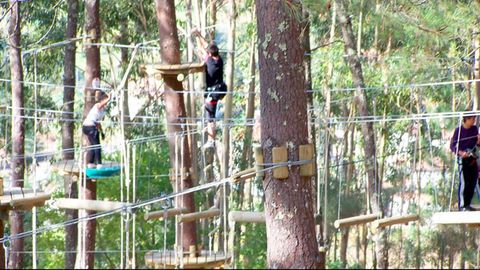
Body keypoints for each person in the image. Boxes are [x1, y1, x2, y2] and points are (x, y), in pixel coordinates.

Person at [191, 28, 227, 148]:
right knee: (211, 115)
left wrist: (196, 36)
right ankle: (211, 139)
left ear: (210, 54)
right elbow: (207, 46)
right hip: (220, 89)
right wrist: (198, 34)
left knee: (210, 117)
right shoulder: (219, 60)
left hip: (213, 92)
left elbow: (202, 49)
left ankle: (211, 140)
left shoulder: (209, 62)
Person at [450, 115, 480, 211]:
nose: (474, 121)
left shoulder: (474, 129)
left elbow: (478, 144)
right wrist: (460, 152)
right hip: (463, 160)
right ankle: (462, 206)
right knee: (464, 182)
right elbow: (452, 146)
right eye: (472, 119)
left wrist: (479, 141)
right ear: (466, 119)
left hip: (472, 158)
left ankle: (468, 204)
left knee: (473, 181)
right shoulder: (458, 131)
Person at [82, 79, 111, 169]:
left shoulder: (102, 112)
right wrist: (109, 98)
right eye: (106, 102)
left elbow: (98, 123)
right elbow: (101, 104)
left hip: (91, 127)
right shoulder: (97, 106)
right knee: (97, 145)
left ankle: (91, 163)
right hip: (88, 127)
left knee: (94, 145)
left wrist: (102, 132)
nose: (106, 104)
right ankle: (99, 164)